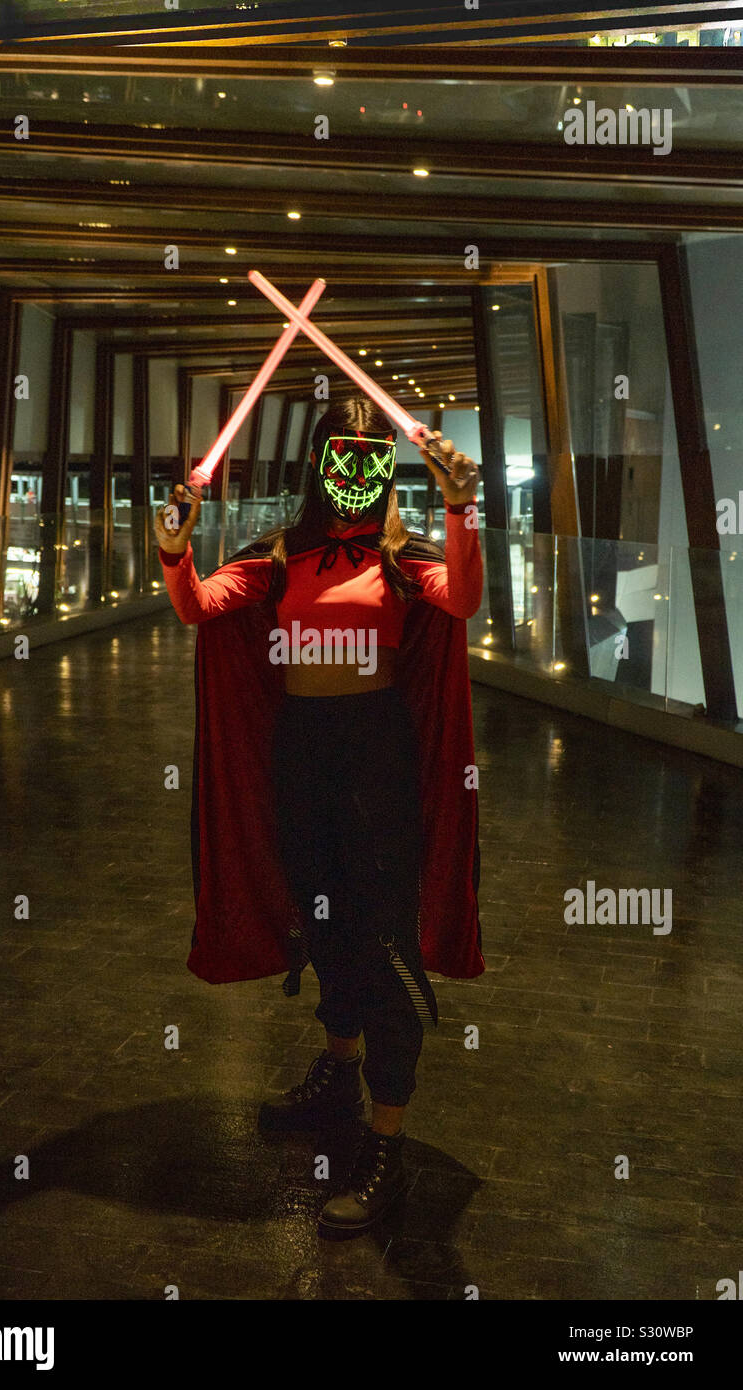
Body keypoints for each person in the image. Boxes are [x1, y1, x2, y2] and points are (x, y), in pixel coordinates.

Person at [154, 394, 484, 1235]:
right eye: (344, 452)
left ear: (387, 469)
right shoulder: (279, 556)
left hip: (376, 761)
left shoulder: (402, 560)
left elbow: (465, 599)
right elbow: (197, 607)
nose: (357, 469)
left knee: (380, 939)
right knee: (323, 920)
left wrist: (458, 507)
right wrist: (173, 550)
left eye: (374, 455)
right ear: (318, 462)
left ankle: (387, 1142)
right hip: (301, 754)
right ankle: (339, 1073)